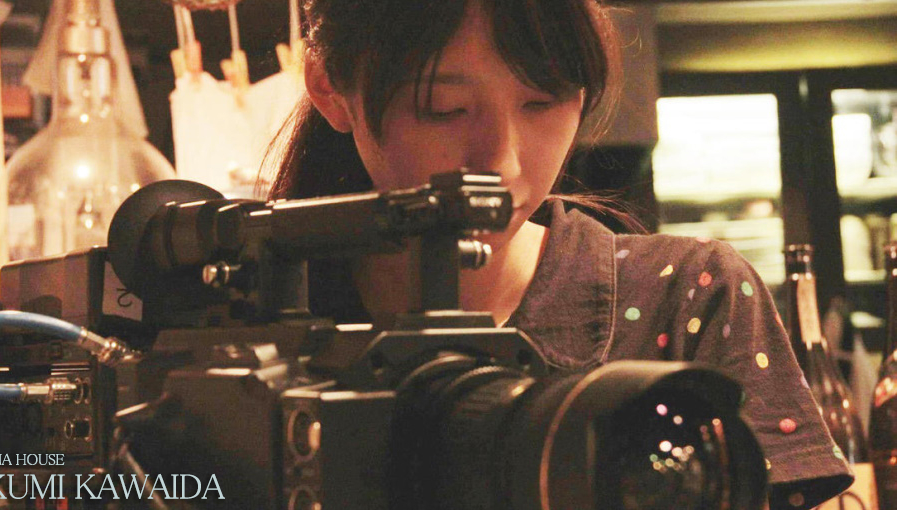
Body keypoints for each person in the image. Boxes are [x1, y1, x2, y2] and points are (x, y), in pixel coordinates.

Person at [263, 0, 853, 508]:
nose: (502, 164)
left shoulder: (687, 296)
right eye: (445, 108)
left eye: (542, 103)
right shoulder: (262, 323)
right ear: (330, 87)